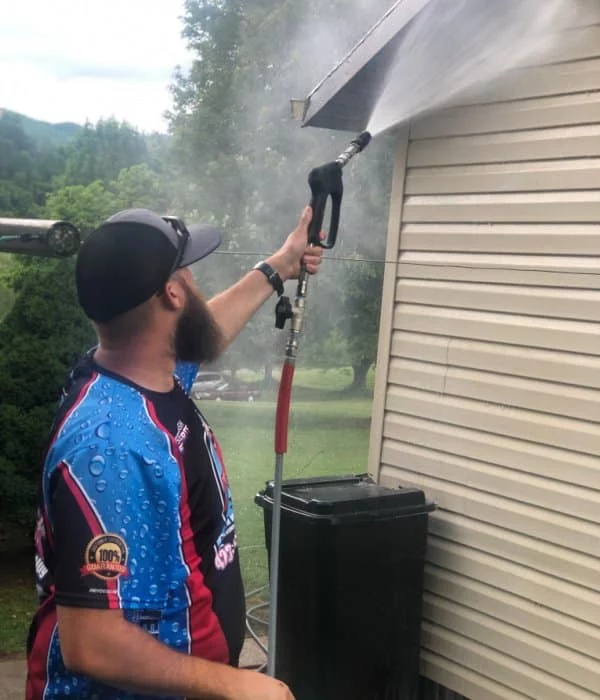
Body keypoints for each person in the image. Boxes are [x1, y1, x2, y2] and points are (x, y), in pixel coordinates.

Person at [26, 206, 323, 700]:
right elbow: (92, 644)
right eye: (188, 271)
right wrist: (235, 685)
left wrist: (281, 265)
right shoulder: (115, 446)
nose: (196, 284)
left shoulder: (136, 373)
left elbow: (207, 330)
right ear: (173, 292)